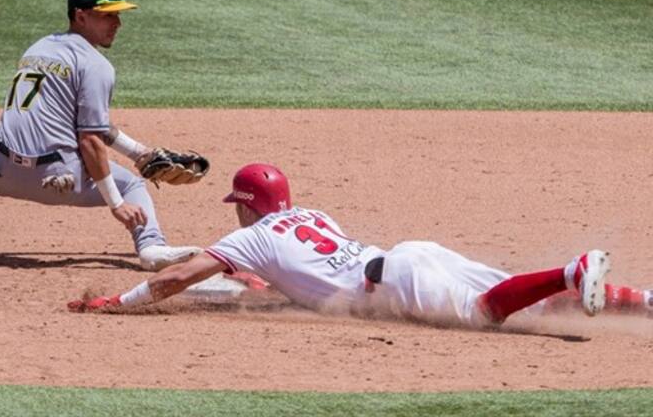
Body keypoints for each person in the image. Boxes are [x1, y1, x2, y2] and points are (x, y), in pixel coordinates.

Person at [69, 163, 653, 326]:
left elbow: (176, 279)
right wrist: (258, 280)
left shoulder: (249, 237)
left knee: (486, 312)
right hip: (411, 255)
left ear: (246, 203)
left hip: (398, 279)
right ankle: (646, 302)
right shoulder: (312, 215)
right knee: (523, 299)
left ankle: (572, 269)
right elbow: (300, 268)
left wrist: (118, 303)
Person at [0, 0, 201, 271]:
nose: (117, 24)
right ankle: (152, 246)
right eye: (107, 16)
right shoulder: (97, 66)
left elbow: (82, 122)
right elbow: (89, 140)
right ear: (81, 16)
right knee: (133, 186)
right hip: (59, 181)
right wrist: (116, 204)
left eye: (118, 15)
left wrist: (139, 152)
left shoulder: (37, 48)